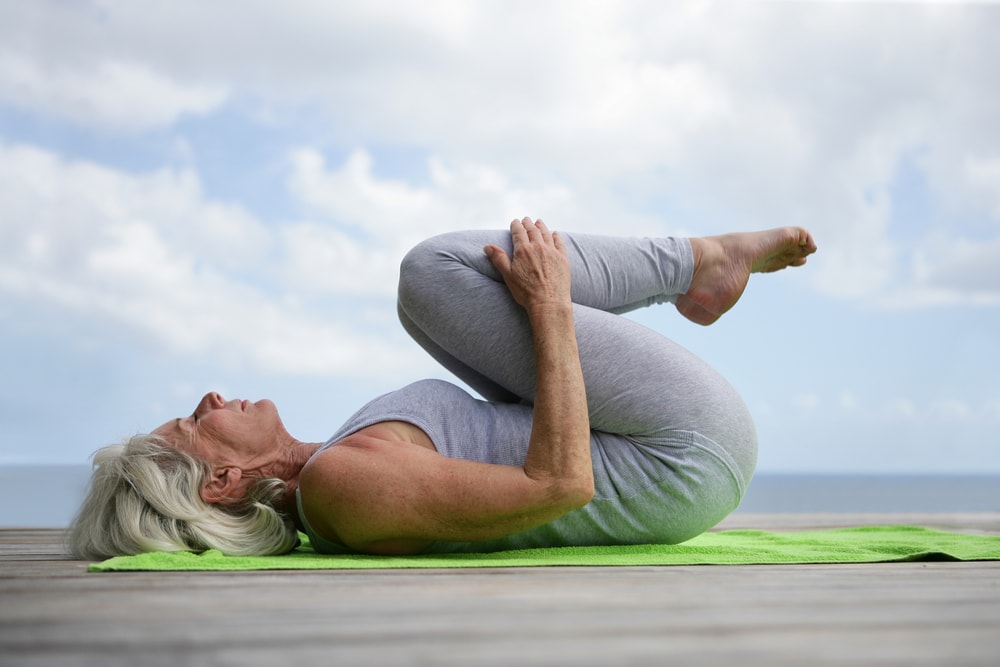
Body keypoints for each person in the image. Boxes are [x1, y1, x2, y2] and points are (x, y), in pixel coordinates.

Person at [68, 219, 816, 559]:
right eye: (188, 425)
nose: (206, 398)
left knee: (421, 299)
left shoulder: (336, 462)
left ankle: (703, 262)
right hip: (683, 451)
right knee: (432, 275)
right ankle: (702, 262)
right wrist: (549, 307)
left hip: (668, 451)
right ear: (223, 483)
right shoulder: (337, 487)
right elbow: (561, 482)